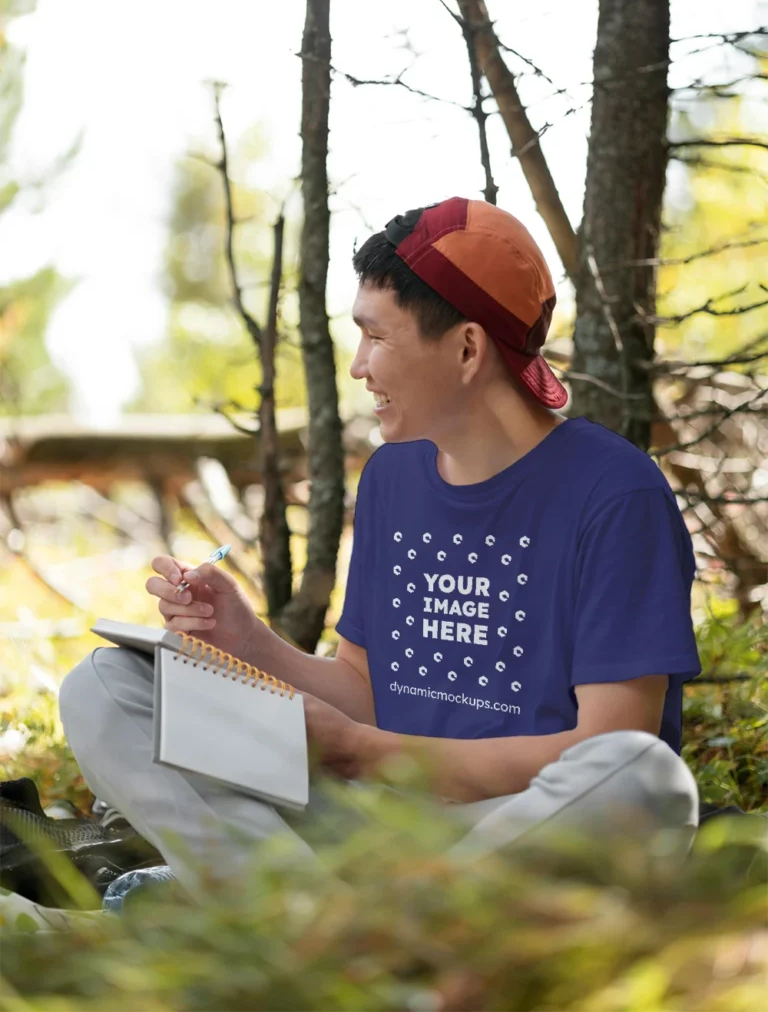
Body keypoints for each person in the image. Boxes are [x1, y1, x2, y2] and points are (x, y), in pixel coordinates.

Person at [60, 197, 701, 883]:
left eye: (377, 337)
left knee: (640, 776)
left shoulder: (614, 493)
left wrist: (368, 754)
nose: (359, 366)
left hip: (516, 828)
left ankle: (303, 916)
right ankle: (308, 913)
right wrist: (247, 642)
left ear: (467, 348)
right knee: (105, 686)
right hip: (370, 818)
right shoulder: (394, 477)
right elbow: (366, 689)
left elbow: (612, 742)